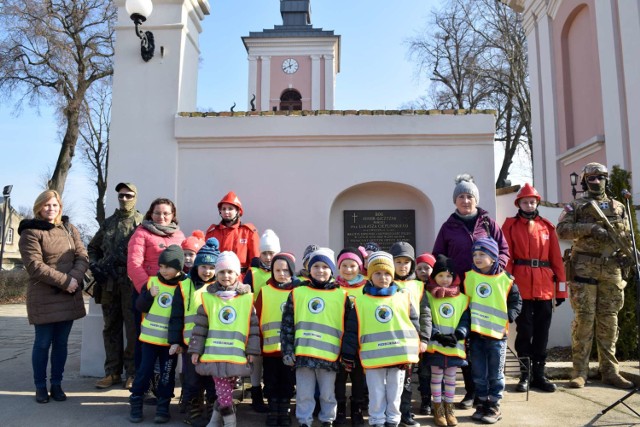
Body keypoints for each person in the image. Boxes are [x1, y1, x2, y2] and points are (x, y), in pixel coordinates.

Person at [432, 174, 510, 409]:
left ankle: (488, 393)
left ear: (476, 199)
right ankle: (471, 391)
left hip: (486, 289)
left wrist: (496, 269)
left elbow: (503, 250)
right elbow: (439, 257)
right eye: (461, 197)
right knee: (467, 341)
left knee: (485, 340)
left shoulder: (488, 224)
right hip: (460, 291)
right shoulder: (448, 227)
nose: (466, 200)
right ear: (455, 201)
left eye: (470, 196)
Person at [556, 162, 635, 390]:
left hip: (612, 271)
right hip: (584, 271)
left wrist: (630, 254)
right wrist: (589, 229)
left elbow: (626, 236)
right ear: (584, 181)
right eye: (591, 178)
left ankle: (610, 371)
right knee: (584, 321)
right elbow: (561, 230)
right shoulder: (576, 206)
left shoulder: (619, 207)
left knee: (610, 322)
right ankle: (580, 372)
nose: (597, 181)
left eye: (600, 177)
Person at [341, 251, 429, 427]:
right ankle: (377, 421)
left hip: (398, 357)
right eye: (378, 273)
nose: (383, 277)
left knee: (394, 392)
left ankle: (393, 420)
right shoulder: (360, 301)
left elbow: (413, 324)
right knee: (376, 392)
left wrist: (415, 347)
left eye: (387, 273)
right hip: (373, 358)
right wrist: (348, 354)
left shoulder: (403, 298)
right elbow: (352, 330)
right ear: (370, 275)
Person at [18, 190, 89, 404]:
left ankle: (56, 384)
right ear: (39, 206)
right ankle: (40, 386)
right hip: (44, 295)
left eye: (55, 205)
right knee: (42, 343)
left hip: (69, 294)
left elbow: (82, 256)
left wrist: (74, 279)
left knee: (61, 344)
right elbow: (35, 266)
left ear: (60, 207)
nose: (51, 209)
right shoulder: (30, 232)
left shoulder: (69, 229)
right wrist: (66, 282)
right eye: (47, 205)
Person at [502, 183, 567, 393]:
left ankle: (539, 375)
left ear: (537, 202)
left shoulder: (547, 227)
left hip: (545, 287)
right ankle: (524, 375)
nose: (529, 205)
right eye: (525, 202)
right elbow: (507, 258)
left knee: (542, 332)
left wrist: (561, 290)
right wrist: (506, 286)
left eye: (532, 201)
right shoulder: (510, 226)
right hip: (520, 286)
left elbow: (557, 260)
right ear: (518, 203)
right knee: (524, 331)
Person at [188, 251, 259, 427]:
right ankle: (230, 423)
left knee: (224, 392)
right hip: (215, 355)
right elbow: (200, 328)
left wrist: (252, 351)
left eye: (230, 272)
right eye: (221, 272)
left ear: (237, 274)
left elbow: (253, 329)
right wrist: (196, 349)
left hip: (236, 356)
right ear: (216, 274)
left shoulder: (246, 299)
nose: (225, 276)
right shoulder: (209, 298)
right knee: (223, 391)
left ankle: (214, 421)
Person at [280, 248, 350, 427]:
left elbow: (348, 327)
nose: (320, 270)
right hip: (303, 355)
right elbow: (287, 325)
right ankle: (305, 420)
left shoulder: (341, 295)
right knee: (304, 393)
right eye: (316, 266)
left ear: (332, 270)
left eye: (325, 266)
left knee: (327, 393)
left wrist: (345, 353)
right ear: (309, 269)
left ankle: (328, 419)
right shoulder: (297, 293)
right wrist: (287, 350)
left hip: (329, 356)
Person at [88, 182, 143, 390]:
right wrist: (95, 264)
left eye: (128, 195)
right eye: (121, 196)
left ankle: (132, 373)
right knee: (110, 327)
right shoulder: (108, 223)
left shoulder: (142, 223)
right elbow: (93, 247)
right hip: (109, 283)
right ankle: (112, 372)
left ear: (135, 197)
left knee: (132, 329)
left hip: (131, 283)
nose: (124, 199)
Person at [464, 238, 521, 424]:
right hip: (476, 335)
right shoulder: (469, 278)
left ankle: (494, 405)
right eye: (475, 254)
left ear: (494, 257)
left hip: (497, 336)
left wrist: (509, 316)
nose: (477, 258)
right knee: (479, 373)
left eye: (482, 254)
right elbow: (464, 304)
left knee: (495, 374)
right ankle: (481, 403)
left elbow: (516, 302)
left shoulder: (506, 280)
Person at [128, 245, 187, 423]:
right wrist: (148, 296)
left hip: (170, 343)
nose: (163, 270)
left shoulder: (185, 286)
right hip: (149, 341)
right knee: (143, 372)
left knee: (167, 376)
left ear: (178, 267)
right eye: (161, 266)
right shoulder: (152, 282)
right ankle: (136, 402)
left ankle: (163, 407)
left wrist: (181, 343)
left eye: (168, 267)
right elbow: (138, 307)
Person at [127, 198, 185, 376]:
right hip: (149, 294)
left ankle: (163, 380)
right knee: (144, 339)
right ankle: (144, 381)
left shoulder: (179, 235)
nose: (162, 217)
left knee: (170, 336)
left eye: (166, 213)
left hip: (172, 295)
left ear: (173, 215)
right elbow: (134, 264)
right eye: (158, 213)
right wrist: (147, 290)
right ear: (151, 214)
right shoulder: (141, 233)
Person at [424, 255, 470, 427]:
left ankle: (449, 409)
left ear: (454, 277)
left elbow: (465, 319)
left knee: (451, 379)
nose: (445, 279)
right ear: (434, 276)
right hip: (435, 345)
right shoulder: (428, 296)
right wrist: (435, 334)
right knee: (436, 379)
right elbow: (426, 317)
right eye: (441, 275)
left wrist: (459, 334)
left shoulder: (462, 298)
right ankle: (438, 409)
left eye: (449, 276)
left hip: (454, 346)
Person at [255, 252, 299, 427]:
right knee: (271, 380)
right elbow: (257, 320)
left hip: (290, 349)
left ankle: (284, 410)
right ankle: (273, 409)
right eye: (278, 270)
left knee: (288, 382)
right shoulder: (265, 291)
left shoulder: (299, 291)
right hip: (270, 348)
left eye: (286, 270)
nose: (282, 274)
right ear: (272, 271)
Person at [180, 238, 220, 426]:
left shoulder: (221, 289)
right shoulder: (184, 286)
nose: (207, 271)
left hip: (214, 344)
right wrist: (176, 341)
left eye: (211, 267)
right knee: (193, 378)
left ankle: (213, 407)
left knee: (213, 378)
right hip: (190, 343)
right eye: (203, 266)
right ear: (196, 266)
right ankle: (194, 407)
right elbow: (176, 316)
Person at [243, 228, 281, 412]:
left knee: (273, 362)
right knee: (256, 360)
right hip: (256, 323)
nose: (267, 257)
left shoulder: (282, 271)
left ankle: (272, 392)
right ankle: (256, 392)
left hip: (275, 325)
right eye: (264, 253)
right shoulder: (253, 273)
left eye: (271, 253)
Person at [389, 241, 425, 427]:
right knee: (390, 382)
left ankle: (406, 412)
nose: (402, 266)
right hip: (389, 340)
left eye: (406, 262)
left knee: (407, 381)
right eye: (398, 262)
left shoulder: (418, 286)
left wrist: (424, 338)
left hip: (410, 342)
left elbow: (425, 314)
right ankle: (389, 412)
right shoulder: (385, 281)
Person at [334, 247, 368, 426]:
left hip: (360, 343)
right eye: (344, 265)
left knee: (358, 379)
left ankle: (357, 409)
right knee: (339, 378)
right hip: (339, 342)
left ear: (360, 267)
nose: (348, 269)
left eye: (352, 265)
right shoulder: (333, 287)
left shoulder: (367, 287)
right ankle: (340, 409)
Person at [205, 191, 259, 276]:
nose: (226, 212)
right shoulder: (212, 233)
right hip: (217, 279)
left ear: (237, 211)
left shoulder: (248, 232)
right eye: (224, 209)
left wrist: (249, 280)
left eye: (230, 208)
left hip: (242, 279)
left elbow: (255, 261)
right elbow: (206, 259)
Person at [414, 252, 436, 416]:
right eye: (419, 268)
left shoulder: (439, 286)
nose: (423, 271)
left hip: (437, 336)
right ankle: (425, 400)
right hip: (420, 336)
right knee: (424, 370)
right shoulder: (413, 287)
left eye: (427, 268)